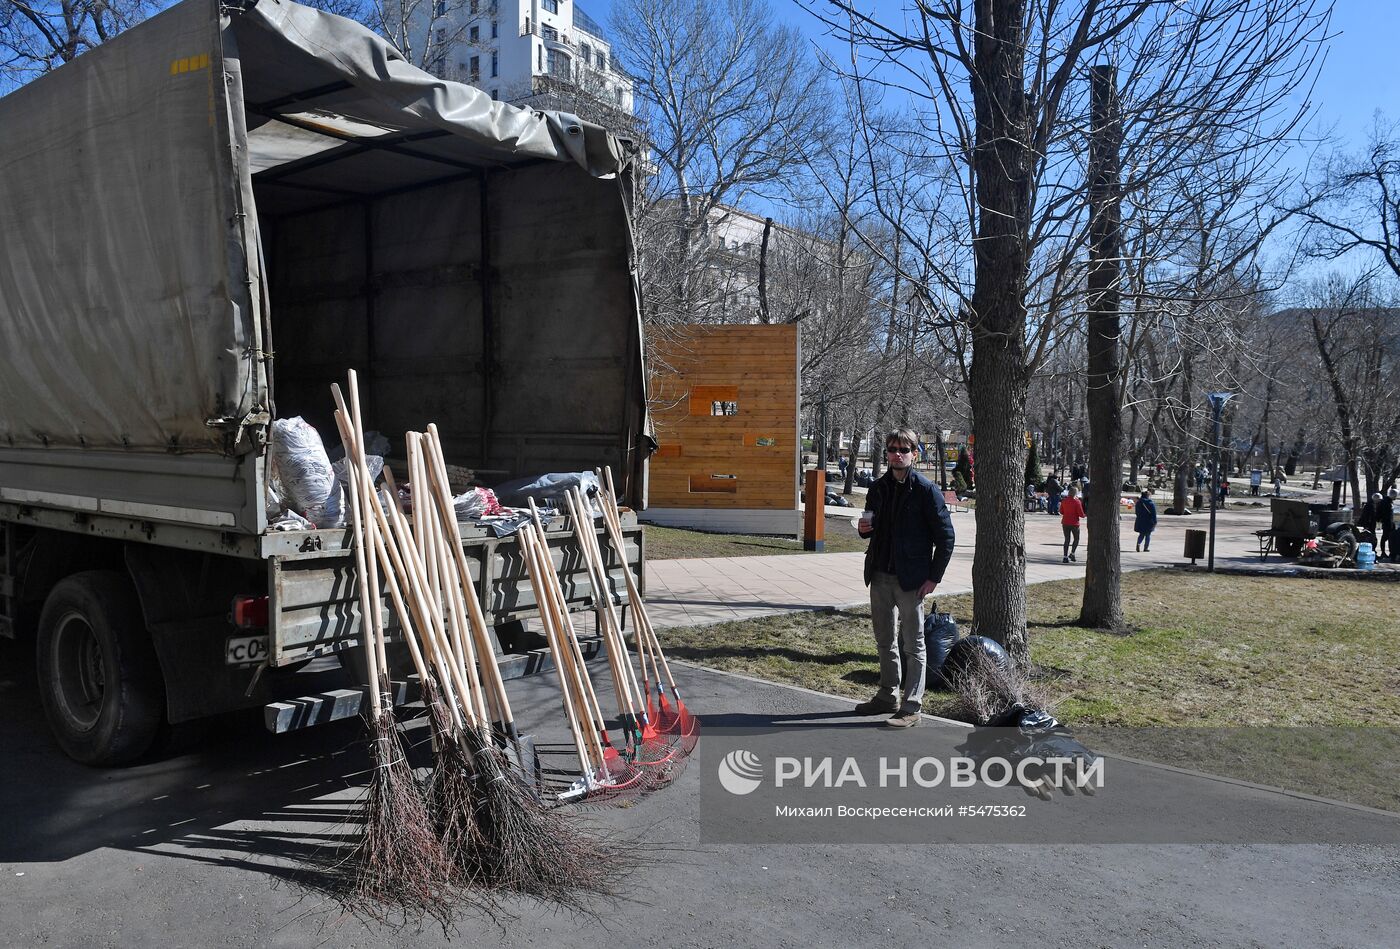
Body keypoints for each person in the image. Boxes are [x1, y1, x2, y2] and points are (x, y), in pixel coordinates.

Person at [855, 429, 957, 729]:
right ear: (886, 452)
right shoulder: (878, 488)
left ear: (915, 453)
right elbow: (869, 525)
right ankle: (887, 696)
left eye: (904, 449)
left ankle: (912, 706)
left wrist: (933, 578)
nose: (897, 454)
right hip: (880, 574)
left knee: (914, 645)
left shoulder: (926, 491)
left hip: (912, 579)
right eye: (892, 449)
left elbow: (946, 538)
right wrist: (863, 530)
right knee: (884, 641)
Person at [1060, 483, 1085, 563]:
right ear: (1076, 493)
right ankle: (1072, 553)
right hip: (1074, 523)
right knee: (1076, 539)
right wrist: (1084, 515)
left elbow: (1061, 511)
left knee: (1067, 540)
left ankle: (1065, 556)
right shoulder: (1077, 502)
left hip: (1065, 522)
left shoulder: (1064, 501)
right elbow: (1081, 514)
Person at [1381, 488, 1397, 562]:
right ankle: (1383, 552)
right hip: (1387, 523)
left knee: (1392, 539)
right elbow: (1385, 514)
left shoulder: (1390, 502)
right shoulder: (1386, 502)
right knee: (1385, 538)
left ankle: (1392, 552)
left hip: (1391, 523)